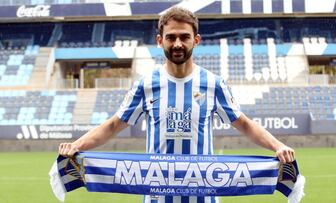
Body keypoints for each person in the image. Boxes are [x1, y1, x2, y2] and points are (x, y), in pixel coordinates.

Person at [59, 6, 295, 203]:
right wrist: (76, 146)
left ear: (197, 40)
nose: (178, 44)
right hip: (156, 197)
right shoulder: (146, 84)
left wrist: (277, 146)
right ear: (160, 41)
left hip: (204, 195)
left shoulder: (213, 84)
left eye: (184, 37)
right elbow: (113, 125)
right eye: (171, 37)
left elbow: (243, 124)